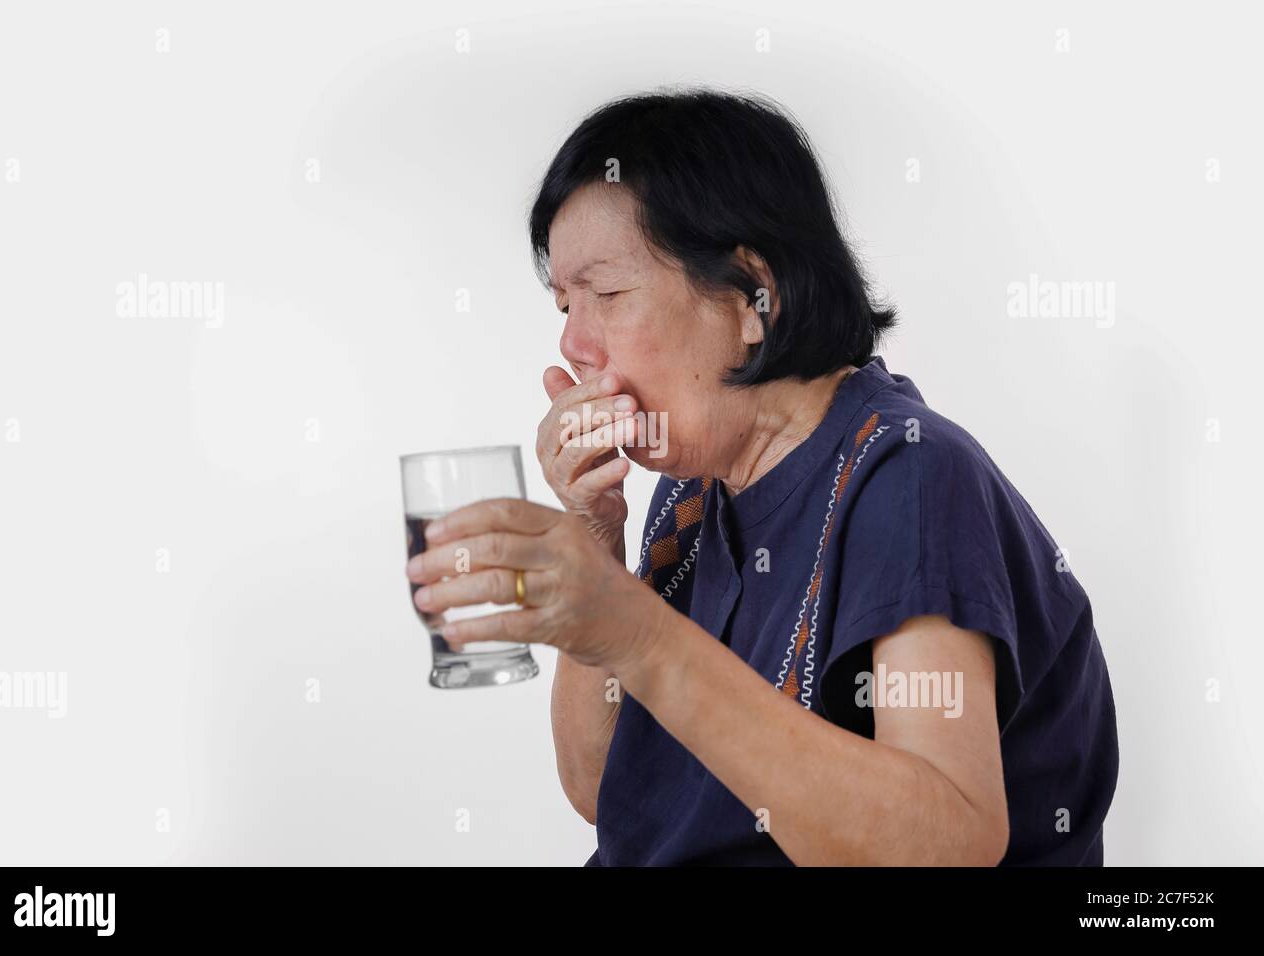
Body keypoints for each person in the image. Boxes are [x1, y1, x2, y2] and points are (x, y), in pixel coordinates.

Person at [405, 88, 1119, 865]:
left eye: (607, 294)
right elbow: (600, 788)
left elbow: (949, 840)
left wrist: (632, 629)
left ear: (754, 299)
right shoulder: (693, 492)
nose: (575, 343)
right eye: (565, 304)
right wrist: (595, 532)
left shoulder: (908, 475)